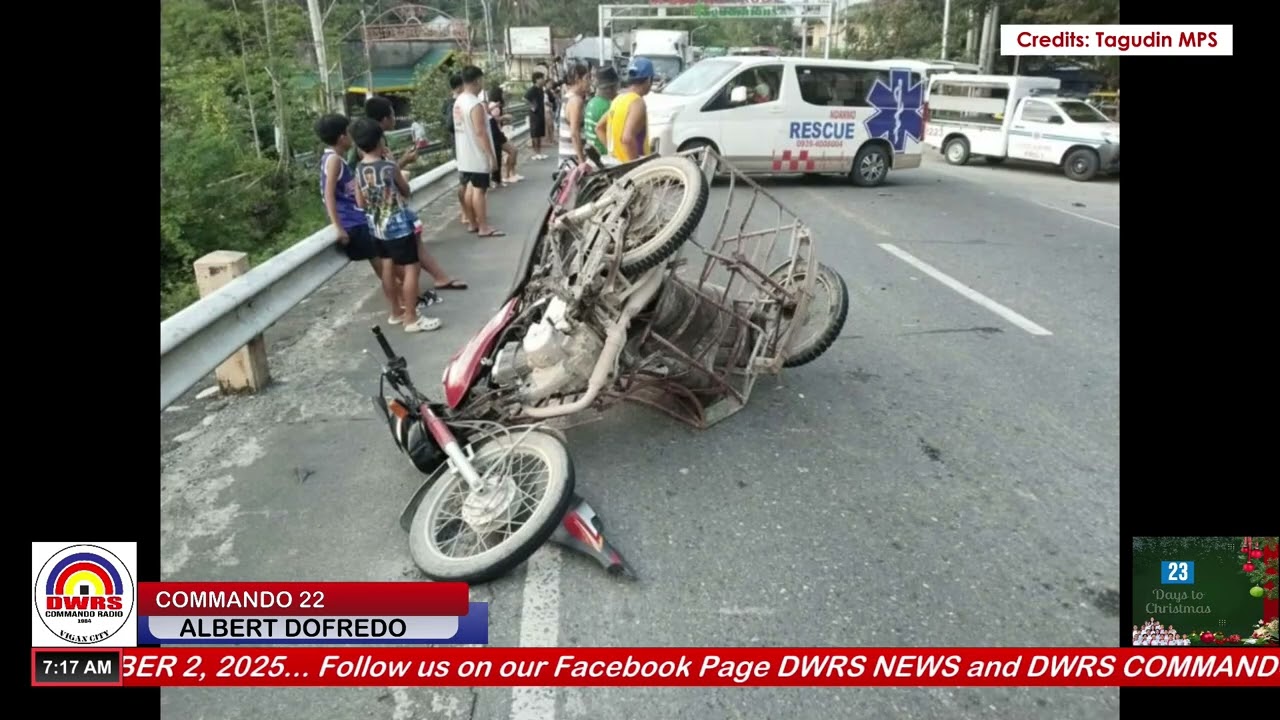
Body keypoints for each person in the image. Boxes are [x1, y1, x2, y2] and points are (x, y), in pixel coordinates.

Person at [350, 118, 441, 333]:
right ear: (380, 141)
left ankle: (395, 312)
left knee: (388, 268)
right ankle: (411, 318)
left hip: (376, 227)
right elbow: (406, 190)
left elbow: (360, 202)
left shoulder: (359, 169)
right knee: (411, 268)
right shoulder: (388, 167)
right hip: (398, 225)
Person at [314, 114, 381, 269]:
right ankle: (406, 293)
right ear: (342, 137)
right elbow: (328, 194)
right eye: (349, 133)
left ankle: (405, 293)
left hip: (356, 219)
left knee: (384, 264)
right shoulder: (334, 160)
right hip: (353, 222)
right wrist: (338, 227)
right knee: (384, 265)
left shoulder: (333, 158)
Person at [454, 65, 504, 237]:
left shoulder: (458, 101)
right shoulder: (475, 104)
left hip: (463, 154)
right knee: (479, 190)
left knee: (469, 188)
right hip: (476, 154)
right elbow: (481, 132)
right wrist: (491, 156)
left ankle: (472, 223)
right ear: (476, 80)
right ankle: (483, 227)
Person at [597, 57, 655, 163]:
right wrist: (635, 165)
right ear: (648, 80)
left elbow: (599, 127)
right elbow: (627, 138)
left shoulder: (618, 99)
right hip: (630, 169)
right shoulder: (637, 102)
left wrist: (612, 152)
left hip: (616, 164)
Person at [558, 63, 591, 166]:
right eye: (587, 78)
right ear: (578, 79)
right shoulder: (576, 101)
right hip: (573, 161)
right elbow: (574, 133)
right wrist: (581, 162)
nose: (589, 82)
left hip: (568, 159)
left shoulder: (568, 96)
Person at [488, 86, 523, 184]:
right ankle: (508, 174)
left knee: (512, 151)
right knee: (513, 150)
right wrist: (504, 117)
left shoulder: (494, 105)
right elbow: (492, 119)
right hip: (496, 133)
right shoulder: (493, 105)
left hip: (498, 132)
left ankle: (510, 173)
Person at [584, 67, 618, 156]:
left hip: (592, 154)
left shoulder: (592, 102)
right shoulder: (607, 107)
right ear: (610, 88)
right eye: (616, 87)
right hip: (604, 156)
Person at [524, 72, 548, 161]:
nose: (543, 80)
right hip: (534, 115)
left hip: (541, 113)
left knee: (540, 134)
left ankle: (540, 152)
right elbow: (525, 98)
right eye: (542, 78)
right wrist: (532, 106)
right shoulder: (532, 89)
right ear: (537, 79)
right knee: (535, 134)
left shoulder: (541, 89)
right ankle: (535, 153)